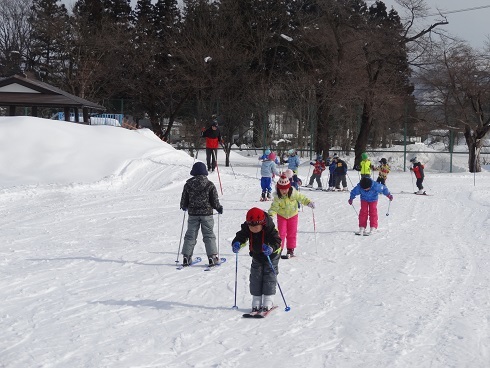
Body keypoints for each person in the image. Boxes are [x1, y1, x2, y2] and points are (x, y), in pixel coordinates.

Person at [231, 207, 282, 312]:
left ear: (262, 223)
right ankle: (256, 299)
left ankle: (268, 299)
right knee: (255, 276)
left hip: (271, 255)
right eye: (251, 226)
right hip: (257, 254)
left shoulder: (269, 227)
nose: (253, 229)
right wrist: (237, 243)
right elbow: (241, 236)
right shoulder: (247, 227)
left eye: (256, 227)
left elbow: (277, 240)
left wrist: (271, 248)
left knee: (269, 275)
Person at [180, 162, 223, 267]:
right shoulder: (209, 185)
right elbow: (214, 200)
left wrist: (184, 206)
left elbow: (184, 199)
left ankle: (186, 257)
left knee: (190, 235)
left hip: (193, 214)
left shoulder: (188, 185)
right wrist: (218, 207)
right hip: (207, 214)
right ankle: (212, 257)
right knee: (208, 235)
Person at [268, 174, 315, 258]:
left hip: (293, 216)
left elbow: (302, 198)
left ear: (289, 187)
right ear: (278, 189)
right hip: (282, 216)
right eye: (282, 189)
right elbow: (274, 207)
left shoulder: (293, 193)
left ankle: (290, 249)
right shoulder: (277, 197)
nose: (284, 191)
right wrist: (271, 215)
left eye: (286, 188)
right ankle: (279, 249)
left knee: (292, 233)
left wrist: (308, 202)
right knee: (281, 233)